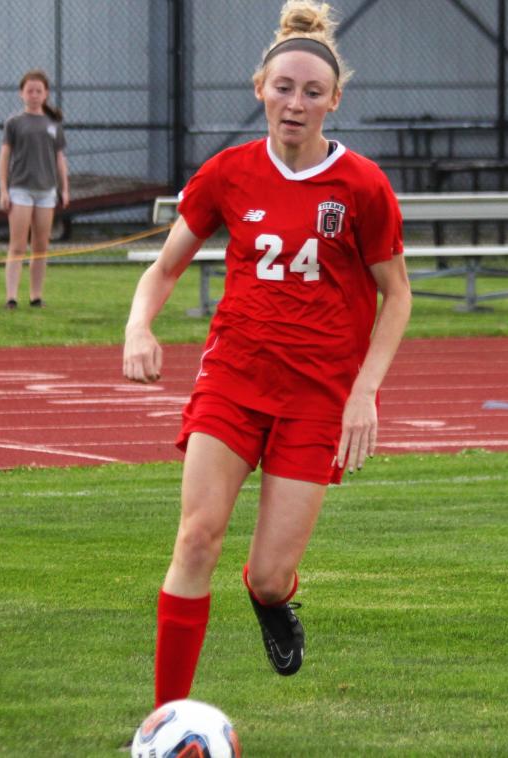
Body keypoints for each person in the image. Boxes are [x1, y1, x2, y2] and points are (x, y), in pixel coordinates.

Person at [123, 0, 412, 707]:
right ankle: (165, 721)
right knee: (196, 538)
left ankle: (271, 598)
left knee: (270, 572)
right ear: (260, 88)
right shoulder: (228, 173)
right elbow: (163, 269)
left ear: (334, 101)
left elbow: (397, 295)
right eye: (283, 87)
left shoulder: (363, 186)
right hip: (233, 379)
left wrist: (364, 390)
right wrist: (139, 326)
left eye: (313, 92)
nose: (295, 103)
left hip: (317, 399)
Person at [0, 69, 70, 309]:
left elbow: (60, 158)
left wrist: (64, 188)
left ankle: (36, 296)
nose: (34, 94)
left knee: (41, 246)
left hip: (46, 191)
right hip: (21, 189)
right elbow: (5, 156)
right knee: (18, 245)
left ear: (46, 94)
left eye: (39, 91)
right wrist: (4, 190)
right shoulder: (14, 123)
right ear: (22, 93)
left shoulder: (53, 124)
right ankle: (11, 297)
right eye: (30, 90)